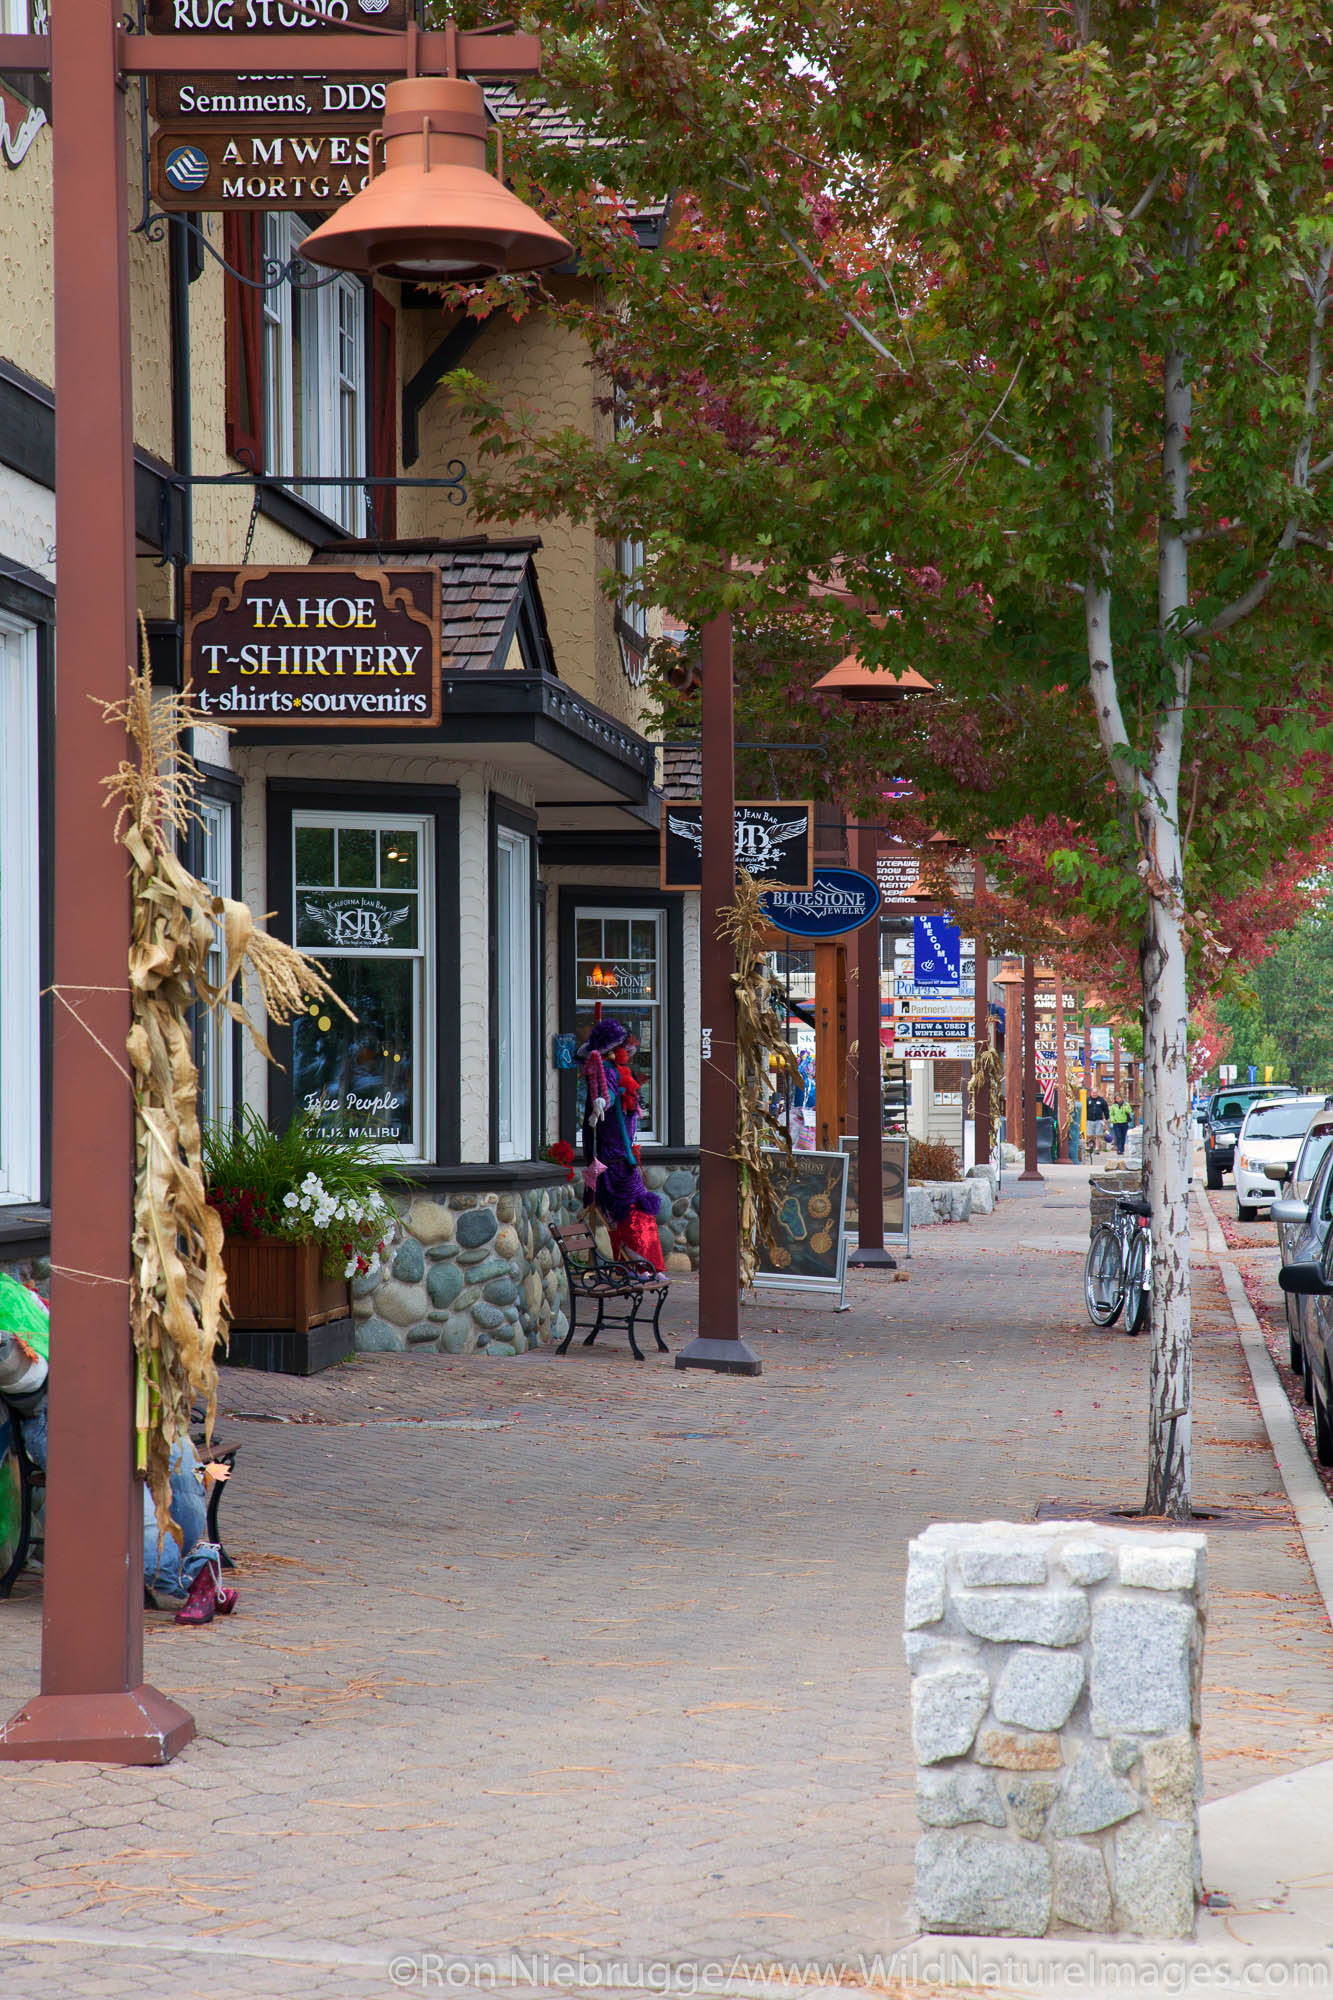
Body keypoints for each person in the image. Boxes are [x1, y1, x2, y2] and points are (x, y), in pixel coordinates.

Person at [0, 1272, 237, 1625]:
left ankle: (187, 1564)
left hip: (123, 1405)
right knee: (125, 1493)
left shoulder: (19, 1292)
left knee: (182, 1469)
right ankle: (179, 1580)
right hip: (61, 1422)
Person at [578, 1015, 664, 1272]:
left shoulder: (617, 1073)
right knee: (631, 1214)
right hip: (613, 1161)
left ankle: (631, 1265)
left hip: (619, 1158)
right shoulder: (606, 1073)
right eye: (622, 1047)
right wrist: (603, 1102)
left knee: (625, 1216)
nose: (627, 1051)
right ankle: (641, 1266)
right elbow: (607, 1096)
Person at [1086, 1090, 1110, 1156]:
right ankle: (1089, 1147)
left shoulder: (1102, 1100)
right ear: (1091, 1093)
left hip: (1099, 1120)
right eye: (1093, 1093)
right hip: (1089, 1120)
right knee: (1089, 1134)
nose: (1094, 1094)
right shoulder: (1087, 1100)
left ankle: (1097, 1148)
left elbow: (1106, 1110)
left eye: (1095, 1093)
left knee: (1098, 1135)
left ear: (1097, 1093)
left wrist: (1107, 1118)